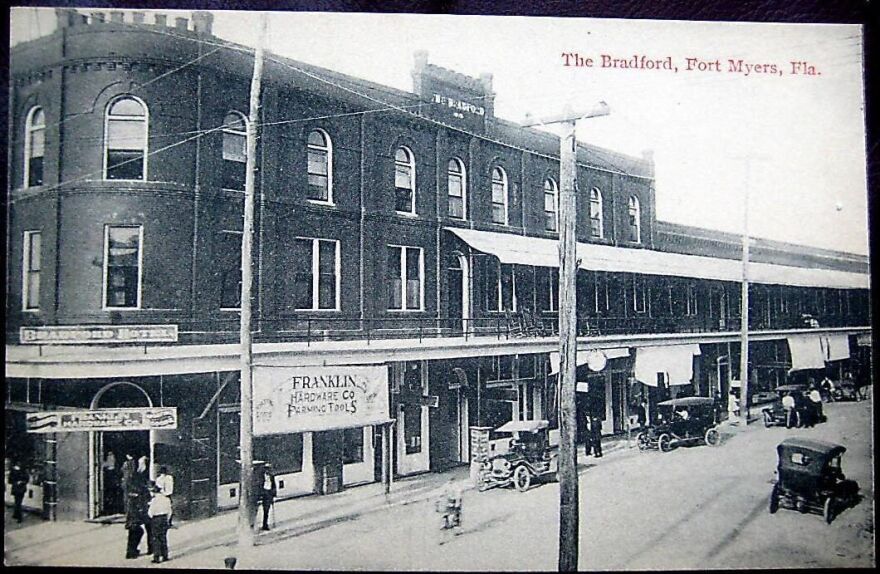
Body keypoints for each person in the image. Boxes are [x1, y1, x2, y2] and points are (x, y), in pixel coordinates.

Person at [125, 458, 151, 559]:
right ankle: (132, 551)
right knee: (138, 530)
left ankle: (132, 551)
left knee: (136, 530)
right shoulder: (138, 477)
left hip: (137, 508)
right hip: (139, 508)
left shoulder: (134, 476)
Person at [147, 483, 172, 563]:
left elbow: (150, 513)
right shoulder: (166, 499)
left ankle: (156, 557)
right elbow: (170, 511)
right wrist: (167, 519)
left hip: (156, 519)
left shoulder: (154, 500)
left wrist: (152, 518)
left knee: (156, 538)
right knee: (163, 538)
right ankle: (165, 555)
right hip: (164, 518)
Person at [258, 464, 277, 531]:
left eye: (268, 469)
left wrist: (274, 494)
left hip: (269, 494)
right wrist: (259, 495)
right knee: (263, 510)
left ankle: (265, 524)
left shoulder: (272, 476)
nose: (268, 470)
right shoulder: (261, 477)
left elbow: (274, 485)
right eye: (266, 469)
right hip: (264, 494)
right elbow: (259, 486)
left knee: (267, 510)